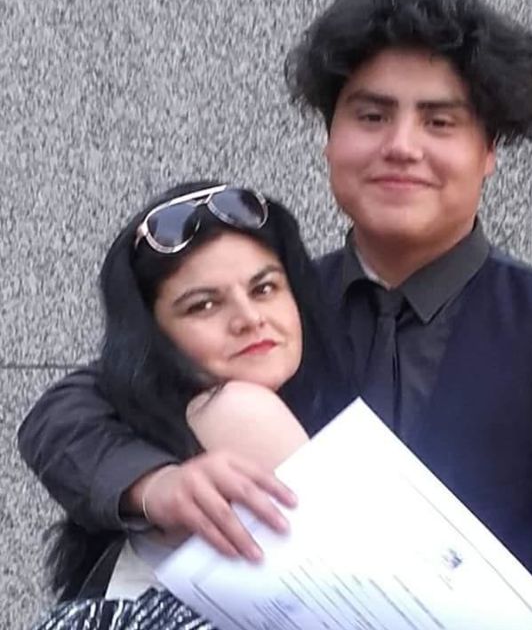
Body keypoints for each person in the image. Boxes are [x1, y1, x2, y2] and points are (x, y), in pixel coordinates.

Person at [19, 0, 532, 628]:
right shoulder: (277, 312)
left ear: (489, 151)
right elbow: (66, 413)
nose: (401, 146)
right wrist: (154, 486)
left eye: (439, 122)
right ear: (330, 138)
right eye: (371, 116)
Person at [40, 180, 350, 603]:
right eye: (204, 305)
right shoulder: (234, 409)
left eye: (264, 288)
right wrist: (154, 486)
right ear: (153, 335)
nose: (249, 318)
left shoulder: (317, 387)